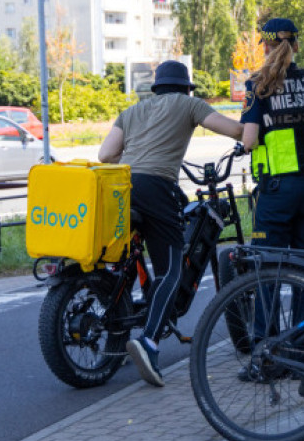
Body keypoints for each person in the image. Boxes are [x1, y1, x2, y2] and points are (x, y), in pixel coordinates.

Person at [99, 61, 243, 387]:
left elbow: (105, 154)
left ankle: (125, 307)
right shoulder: (188, 104)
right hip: (157, 187)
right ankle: (149, 343)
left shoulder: (132, 111)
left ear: (157, 87)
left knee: (130, 250)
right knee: (171, 271)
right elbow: (234, 130)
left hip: (122, 187)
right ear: (185, 87)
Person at [239, 19, 304, 379]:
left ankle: (265, 360)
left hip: (276, 193)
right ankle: (300, 356)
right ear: (297, 46)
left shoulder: (258, 84)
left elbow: (250, 140)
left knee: (268, 272)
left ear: (265, 47)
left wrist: (242, 136)